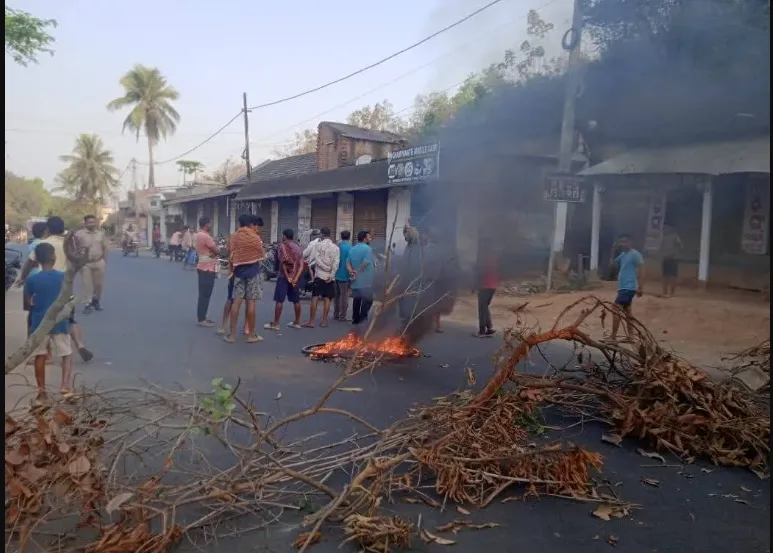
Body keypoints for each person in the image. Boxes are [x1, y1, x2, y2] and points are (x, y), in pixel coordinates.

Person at [18, 216, 93, 363]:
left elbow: (30, 262)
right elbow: (76, 262)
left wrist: (22, 278)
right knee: (69, 318)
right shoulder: (68, 244)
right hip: (64, 285)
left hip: (45, 284)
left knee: (42, 320)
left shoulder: (44, 244)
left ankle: (44, 353)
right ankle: (80, 344)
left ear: (48, 229)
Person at [24, 243, 74, 399]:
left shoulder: (32, 279)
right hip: (60, 322)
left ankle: (41, 391)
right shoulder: (63, 277)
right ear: (54, 257)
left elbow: (28, 303)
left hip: (40, 322)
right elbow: (69, 299)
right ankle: (65, 386)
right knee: (66, 354)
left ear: (37, 259)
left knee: (40, 355)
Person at [223, 214, 266, 343]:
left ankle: (231, 336)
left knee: (237, 301)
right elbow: (261, 254)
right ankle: (251, 335)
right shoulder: (255, 237)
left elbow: (230, 252)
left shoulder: (234, 237)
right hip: (253, 272)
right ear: (250, 224)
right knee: (251, 302)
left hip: (238, 272)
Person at [265, 229, 304, 331]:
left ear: (284, 236)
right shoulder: (298, 248)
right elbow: (301, 264)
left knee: (279, 300)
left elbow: (281, 263)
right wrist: (295, 278)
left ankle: (276, 324)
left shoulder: (281, 246)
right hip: (295, 276)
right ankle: (297, 322)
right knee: (296, 300)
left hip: (284, 277)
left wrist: (288, 277)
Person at [608, 233, 645, 341]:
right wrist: (612, 251)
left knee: (615, 309)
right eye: (621, 242)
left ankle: (613, 337)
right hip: (623, 287)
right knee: (627, 311)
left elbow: (642, 270)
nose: (622, 244)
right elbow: (612, 265)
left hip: (628, 287)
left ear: (630, 242)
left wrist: (641, 287)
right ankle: (631, 336)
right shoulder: (623, 255)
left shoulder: (635, 254)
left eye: (625, 241)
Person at [303, 227, 339, 328]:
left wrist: (324, 268)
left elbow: (316, 259)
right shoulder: (335, 247)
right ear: (330, 235)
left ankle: (311, 322)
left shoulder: (318, 245)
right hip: (330, 277)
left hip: (319, 275)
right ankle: (323, 322)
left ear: (322, 235)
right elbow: (336, 263)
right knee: (327, 298)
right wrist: (331, 274)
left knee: (315, 297)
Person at [75, 215, 109, 314]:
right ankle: (87, 304)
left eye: (93, 222)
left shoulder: (101, 234)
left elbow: (106, 247)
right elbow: (74, 248)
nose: (92, 224)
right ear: (85, 223)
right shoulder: (79, 234)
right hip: (85, 263)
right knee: (87, 284)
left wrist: (105, 260)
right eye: (89, 222)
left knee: (98, 285)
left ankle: (96, 301)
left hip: (99, 262)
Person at [23, 221, 48, 336]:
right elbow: (32, 262)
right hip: (40, 277)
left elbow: (28, 263)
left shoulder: (33, 243)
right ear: (45, 231)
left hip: (31, 278)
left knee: (31, 310)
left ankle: (29, 335)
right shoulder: (44, 244)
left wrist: (23, 277)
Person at [195, 217, 219, 327]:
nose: (211, 225)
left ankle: (203, 317)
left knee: (203, 294)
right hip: (207, 268)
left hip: (202, 266)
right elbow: (216, 250)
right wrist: (216, 252)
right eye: (210, 223)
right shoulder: (205, 236)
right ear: (206, 224)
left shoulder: (198, 235)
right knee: (205, 295)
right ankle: (201, 319)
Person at [347, 230, 375, 326]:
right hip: (366, 280)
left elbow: (348, 263)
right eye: (369, 237)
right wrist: (357, 272)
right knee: (367, 299)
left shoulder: (352, 249)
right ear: (364, 239)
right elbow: (366, 262)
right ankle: (363, 319)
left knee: (357, 299)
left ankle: (355, 319)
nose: (370, 239)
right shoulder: (368, 249)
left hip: (355, 280)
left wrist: (352, 272)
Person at [474, 248, 499, 338]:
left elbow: (479, 274)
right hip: (493, 286)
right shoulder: (494, 257)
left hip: (484, 286)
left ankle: (482, 330)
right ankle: (488, 328)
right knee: (485, 307)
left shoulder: (483, 259)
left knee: (482, 308)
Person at [659, 224, 682, 297]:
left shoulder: (675, 236)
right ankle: (664, 292)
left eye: (666, 228)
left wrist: (675, 252)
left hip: (673, 259)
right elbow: (661, 248)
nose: (665, 229)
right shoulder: (664, 237)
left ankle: (672, 293)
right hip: (665, 259)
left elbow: (680, 245)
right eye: (664, 228)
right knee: (664, 276)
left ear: (670, 228)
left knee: (673, 277)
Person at [334, 230, 352, 321]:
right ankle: (342, 316)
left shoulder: (338, 247)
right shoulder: (350, 248)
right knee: (344, 297)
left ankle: (336, 314)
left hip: (336, 274)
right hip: (345, 276)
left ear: (341, 237)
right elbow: (351, 262)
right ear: (349, 237)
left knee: (336, 296)